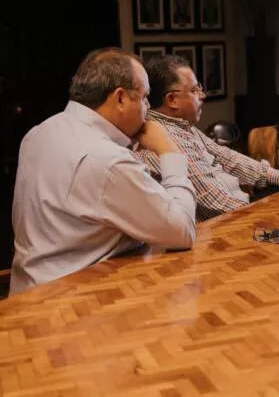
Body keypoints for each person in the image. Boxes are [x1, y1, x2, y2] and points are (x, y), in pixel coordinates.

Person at [10, 48, 197, 294]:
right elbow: (182, 231)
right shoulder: (108, 160)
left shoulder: (38, 134)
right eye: (144, 97)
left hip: (26, 293)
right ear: (120, 98)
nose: (148, 107)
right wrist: (169, 151)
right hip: (75, 298)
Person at [135, 55, 279, 221]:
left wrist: (277, 176)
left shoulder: (181, 125)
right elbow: (214, 200)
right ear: (172, 100)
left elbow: (226, 156)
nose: (202, 95)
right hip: (227, 221)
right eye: (194, 90)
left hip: (242, 205)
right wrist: (268, 212)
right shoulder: (164, 136)